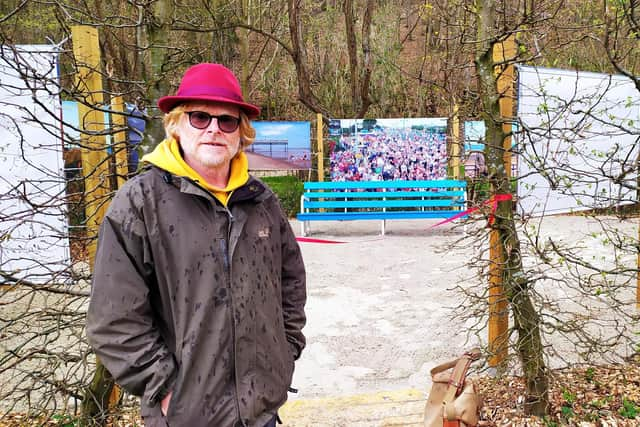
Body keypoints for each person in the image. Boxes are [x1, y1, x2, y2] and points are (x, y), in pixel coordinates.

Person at [86, 63, 307, 427]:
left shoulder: (261, 202)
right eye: (200, 118)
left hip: (260, 413)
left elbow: (290, 284)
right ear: (176, 124)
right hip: (184, 417)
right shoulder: (140, 204)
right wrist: (166, 388)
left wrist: (283, 352)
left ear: (241, 133)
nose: (214, 130)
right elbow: (113, 319)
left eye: (227, 121)